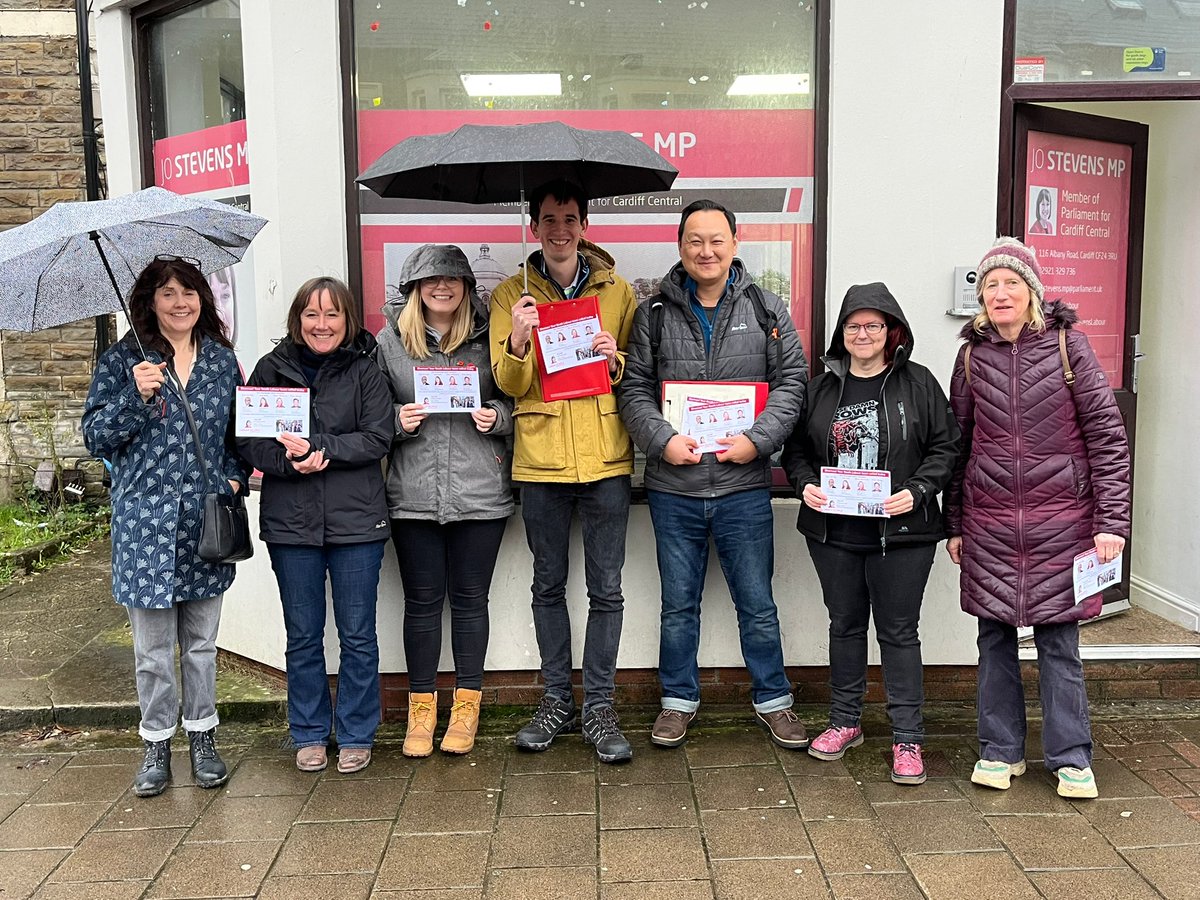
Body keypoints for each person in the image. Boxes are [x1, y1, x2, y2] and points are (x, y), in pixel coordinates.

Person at [618, 199, 809, 750]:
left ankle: (774, 701)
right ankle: (677, 702)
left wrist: (757, 441)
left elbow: (793, 384)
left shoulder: (768, 309)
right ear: (680, 246)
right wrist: (661, 439)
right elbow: (632, 388)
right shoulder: (652, 311)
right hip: (673, 489)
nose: (706, 250)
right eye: (695, 240)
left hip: (744, 488)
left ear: (735, 242)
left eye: (716, 240)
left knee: (757, 602)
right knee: (678, 603)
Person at [945, 237, 1131, 799]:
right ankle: (999, 751)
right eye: (990, 284)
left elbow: (1107, 440)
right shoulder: (972, 357)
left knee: (1058, 642)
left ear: (1032, 292)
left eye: (1011, 283)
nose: (1000, 293)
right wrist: (954, 523)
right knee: (994, 639)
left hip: (1065, 523)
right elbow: (959, 444)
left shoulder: (1070, 348)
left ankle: (1070, 756)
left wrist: (1111, 523)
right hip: (991, 522)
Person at [780, 283, 960, 784]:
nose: (863, 334)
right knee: (844, 625)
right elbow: (795, 450)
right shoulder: (820, 389)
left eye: (873, 325)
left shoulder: (919, 383)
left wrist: (920, 490)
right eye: (853, 326)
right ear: (841, 333)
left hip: (902, 532)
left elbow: (946, 448)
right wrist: (805, 485)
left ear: (891, 332)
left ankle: (907, 737)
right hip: (833, 530)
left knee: (899, 632)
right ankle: (845, 722)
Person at [83, 257, 247, 798]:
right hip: (144, 526)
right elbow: (96, 437)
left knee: (201, 644)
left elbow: (237, 438)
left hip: (204, 523)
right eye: (167, 293)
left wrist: (233, 478)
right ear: (149, 302)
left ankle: (203, 737)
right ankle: (156, 744)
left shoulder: (222, 362)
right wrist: (137, 395)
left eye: (189, 292)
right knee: (152, 651)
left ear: (203, 298)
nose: (180, 303)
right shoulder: (123, 360)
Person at [489, 178, 637, 764]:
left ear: (584, 225)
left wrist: (613, 357)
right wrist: (520, 342)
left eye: (569, 218)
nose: (559, 230)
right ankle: (555, 700)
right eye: (549, 219)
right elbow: (508, 383)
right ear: (534, 226)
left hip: (605, 456)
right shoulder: (509, 296)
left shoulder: (617, 291)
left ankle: (599, 707)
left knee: (607, 588)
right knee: (547, 585)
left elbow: (632, 371)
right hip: (542, 459)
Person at [238, 276, 394, 775]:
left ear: (347, 321)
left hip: (356, 523)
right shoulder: (269, 369)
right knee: (302, 635)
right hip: (292, 525)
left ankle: (355, 732)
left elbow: (378, 437)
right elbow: (249, 442)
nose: (321, 325)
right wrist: (288, 464)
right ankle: (307, 732)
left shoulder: (365, 371)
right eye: (311, 314)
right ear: (297, 319)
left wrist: (321, 448)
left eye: (332, 315)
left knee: (357, 635)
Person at [376, 245, 515, 757]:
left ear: (466, 288)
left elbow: (521, 398)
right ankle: (420, 711)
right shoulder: (389, 342)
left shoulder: (489, 337)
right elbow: (370, 411)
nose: (442, 287)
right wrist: (396, 421)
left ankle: (466, 706)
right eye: (431, 279)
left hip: (480, 490)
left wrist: (497, 418)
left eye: (453, 279)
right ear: (413, 287)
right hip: (412, 493)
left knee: (470, 601)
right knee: (422, 603)